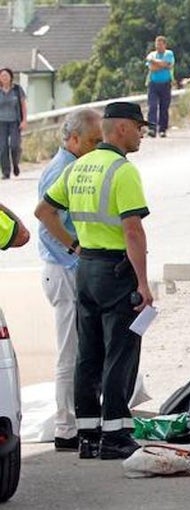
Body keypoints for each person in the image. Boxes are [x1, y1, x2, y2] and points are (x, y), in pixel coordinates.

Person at [34, 102, 152, 461]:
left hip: (86, 268)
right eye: (138, 127)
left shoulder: (79, 166)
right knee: (120, 350)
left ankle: (88, 434)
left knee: (88, 353)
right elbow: (133, 230)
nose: (142, 134)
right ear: (119, 130)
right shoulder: (122, 170)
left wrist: (74, 245)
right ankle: (115, 433)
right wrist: (144, 283)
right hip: (116, 269)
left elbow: (43, 212)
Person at [36, 108, 103, 451]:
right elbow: (47, 225)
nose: (97, 147)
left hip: (70, 268)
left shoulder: (75, 165)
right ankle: (66, 426)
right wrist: (76, 251)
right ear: (73, 139)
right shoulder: (61, 170)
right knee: (70, 352)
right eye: (93, 141)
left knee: (83, 350)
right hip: (63, 270)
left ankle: (81, 418)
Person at [145, 36, 175, 138]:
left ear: (165, 45)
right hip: (153, 84)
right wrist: (162, 65)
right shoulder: (152, 54)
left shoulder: (169, 53)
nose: (158, 47)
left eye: (160, 44)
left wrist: (156, 62)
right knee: (152, 106)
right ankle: (152, 129)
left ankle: (162, 129)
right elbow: (152, 68)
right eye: (157, 44)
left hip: (165, 83)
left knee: (164, 107)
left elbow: (168, 64)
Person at [0, 68, 27, 179]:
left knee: (15, 146)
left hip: (15, 122)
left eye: (6, 75)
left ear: (11, 77)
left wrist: (24, 120)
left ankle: (15, 164)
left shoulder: (17, 89)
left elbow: (23, 105)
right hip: (1, 123)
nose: (4, 78)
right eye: (2, 76)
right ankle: (6, 172)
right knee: (2, 147)